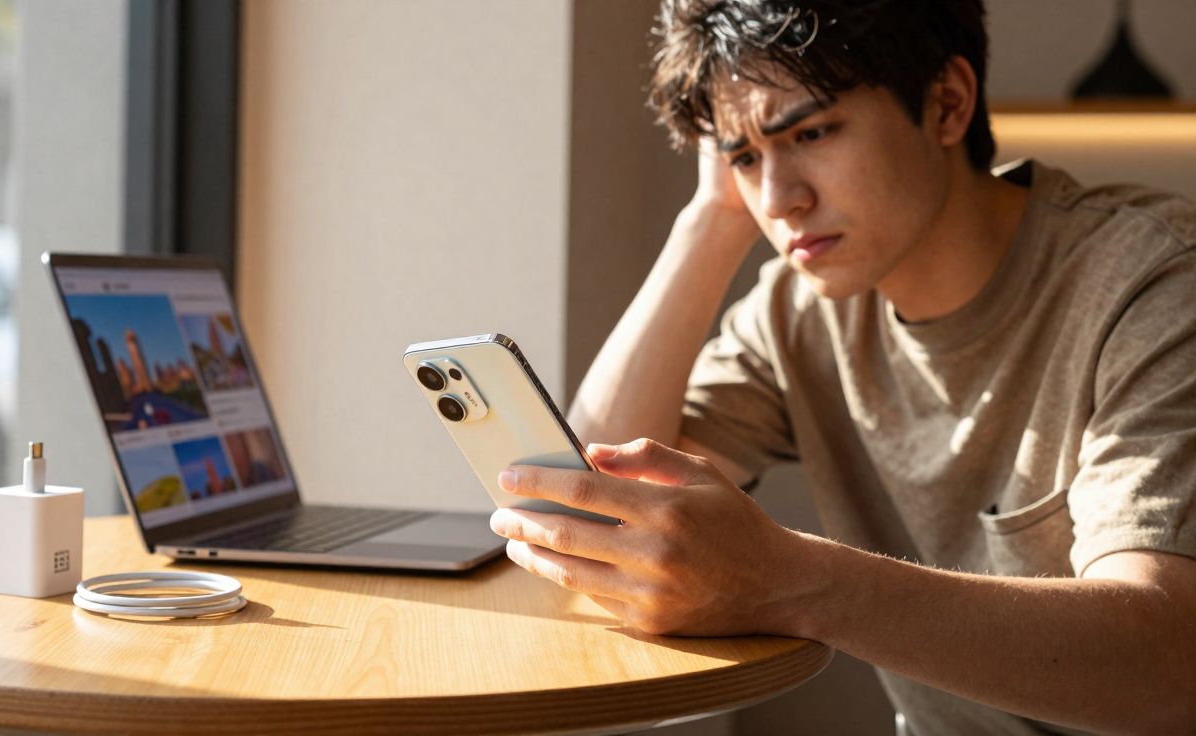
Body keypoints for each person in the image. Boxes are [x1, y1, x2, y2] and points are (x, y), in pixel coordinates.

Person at [485, 1, 1196, 733]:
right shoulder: (799, 310)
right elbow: (590, 504)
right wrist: (711, 217)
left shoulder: (1151, 286)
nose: (778, 200)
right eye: (746, 159)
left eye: (812, 132)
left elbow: (1169, 659)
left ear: (947, 103)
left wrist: (790, 583)